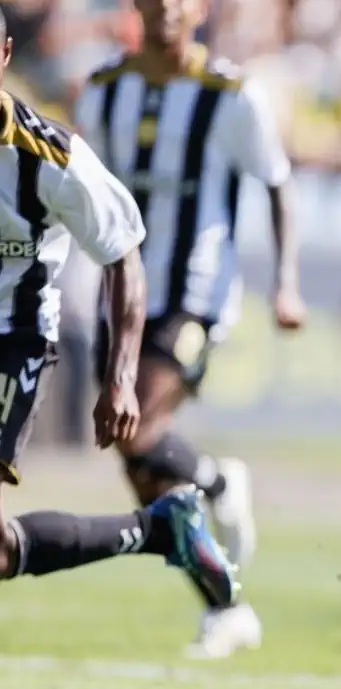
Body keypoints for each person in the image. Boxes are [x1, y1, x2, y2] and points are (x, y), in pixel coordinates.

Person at [71, 0, 305, 658]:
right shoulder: (103, 90)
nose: (162, 12)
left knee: (139, 425)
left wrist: (285, 280)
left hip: (195, 295)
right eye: (151, 1)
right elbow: (80, 186)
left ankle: (219, 482)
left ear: (197, 10)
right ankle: (226, 602)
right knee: (141, 462)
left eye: (175, 1)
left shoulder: (231, 96)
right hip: (120, 296)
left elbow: (278, 183)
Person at [0, 7, 238, 607]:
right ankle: (159, 530)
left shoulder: (49, 156)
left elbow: (123, 253)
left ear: (3, 57)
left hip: (13, 340)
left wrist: (122, 378)